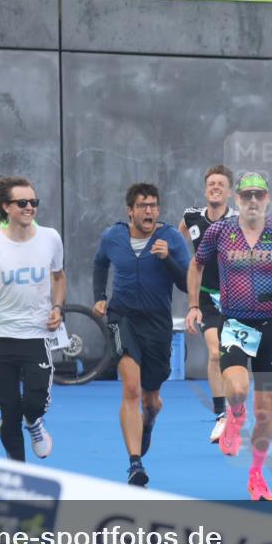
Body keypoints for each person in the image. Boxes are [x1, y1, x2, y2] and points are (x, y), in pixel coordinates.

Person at [185, 172, 272, 501]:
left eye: (259, 195)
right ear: (238, 200)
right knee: (239, 389)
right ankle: (234, 414)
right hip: (236, 325)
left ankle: (256, 474)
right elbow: (196, 265)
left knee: (266, 413)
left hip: (270, 328)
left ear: (267, 199)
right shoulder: (220, 232)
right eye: (247, 195)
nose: (253, 200)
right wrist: (194, 304)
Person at [93, 183, 190, 487]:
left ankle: (149, 418)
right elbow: (99, 263)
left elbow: (187, 284)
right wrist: (100, 295)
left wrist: (167, 259)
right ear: (130, 211)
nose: (149, 211)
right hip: (122, 318)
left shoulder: (170, 238)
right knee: (131, 389)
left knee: (150, 399)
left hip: (157, 323)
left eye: (154, 205)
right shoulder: (113, 236)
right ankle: (135, 464)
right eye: (143, 205)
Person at [0, 176, 65, 462]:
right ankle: (18, 470)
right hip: (2, 334)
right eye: (22, 203)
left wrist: (58, 307)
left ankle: (35, 423)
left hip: (36, 333)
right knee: (9, 409)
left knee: (34, 403)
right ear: (6, 207)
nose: (30, 208)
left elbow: (59, 277)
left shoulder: (50, 238)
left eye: (33, 202)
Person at [179, 165, 239, 443]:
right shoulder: (191, 218)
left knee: (235, 358)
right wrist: (192, 300)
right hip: (207, 298)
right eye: (211, 183)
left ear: (229, 191)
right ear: (206, 189)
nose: (215, 187)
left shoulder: (238, 220)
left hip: (237, 298)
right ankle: (221, 415)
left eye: (221, 184)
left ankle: (236, 409)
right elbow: (180, 247)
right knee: (215, 354)